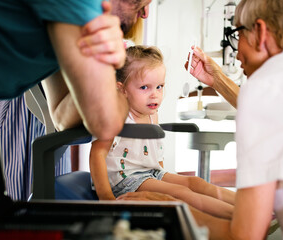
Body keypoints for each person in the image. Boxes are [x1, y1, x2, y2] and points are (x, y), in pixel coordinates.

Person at [118, 0, 283, 239]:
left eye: (237, 35)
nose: (237, 52)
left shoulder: (267, 86)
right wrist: (218, 80)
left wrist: (168, 206)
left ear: (260, 32)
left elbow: (244, 235)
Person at [90, 45, 236, 219]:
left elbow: (155, 153)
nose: (155, 95)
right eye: (145, 87)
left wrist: (163, 177)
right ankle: (236, 217)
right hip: (125, 181)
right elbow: (97, 153)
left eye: (159, 87)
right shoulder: (117, 115)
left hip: (152, 173)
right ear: (122, 89)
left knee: (196, 182)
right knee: (181, 192)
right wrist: (105, 197)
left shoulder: (152, 114)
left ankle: (250, 207)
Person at [0, 0, 152, 142]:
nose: (146, 12)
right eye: (140, 2)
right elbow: (106, 123)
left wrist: (107, 71)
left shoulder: (68, 20)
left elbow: (60, 117)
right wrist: (112, 68)